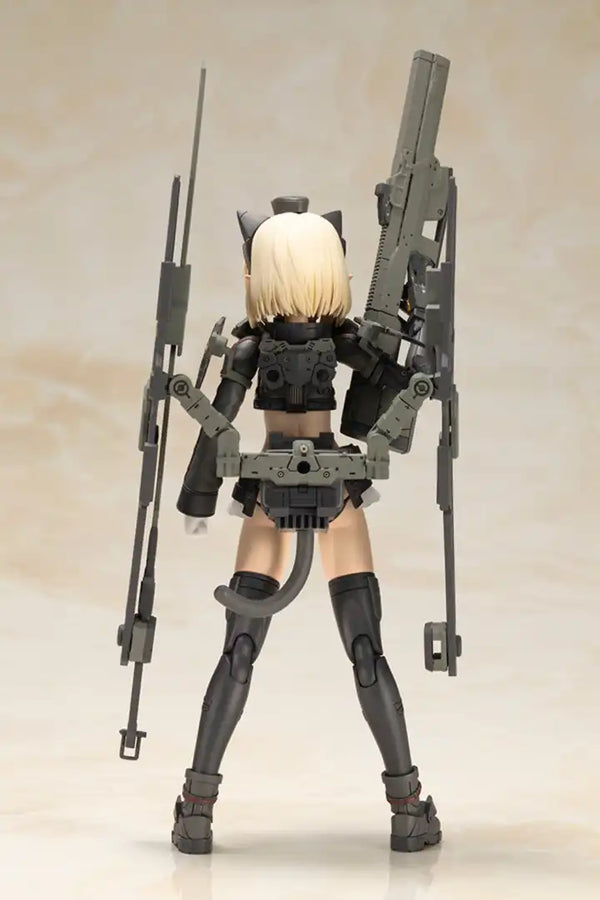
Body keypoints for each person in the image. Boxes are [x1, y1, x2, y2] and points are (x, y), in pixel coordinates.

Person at [171, 197, 441, 854]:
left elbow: (217, 422)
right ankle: (407, 808)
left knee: (240, 650)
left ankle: (196, 811)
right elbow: (396, 379)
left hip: (269, 493)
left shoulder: (251, 347)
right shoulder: (341, 339)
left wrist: (200, 501)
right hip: (336, 492)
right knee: (366, 649)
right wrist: (422, 365)